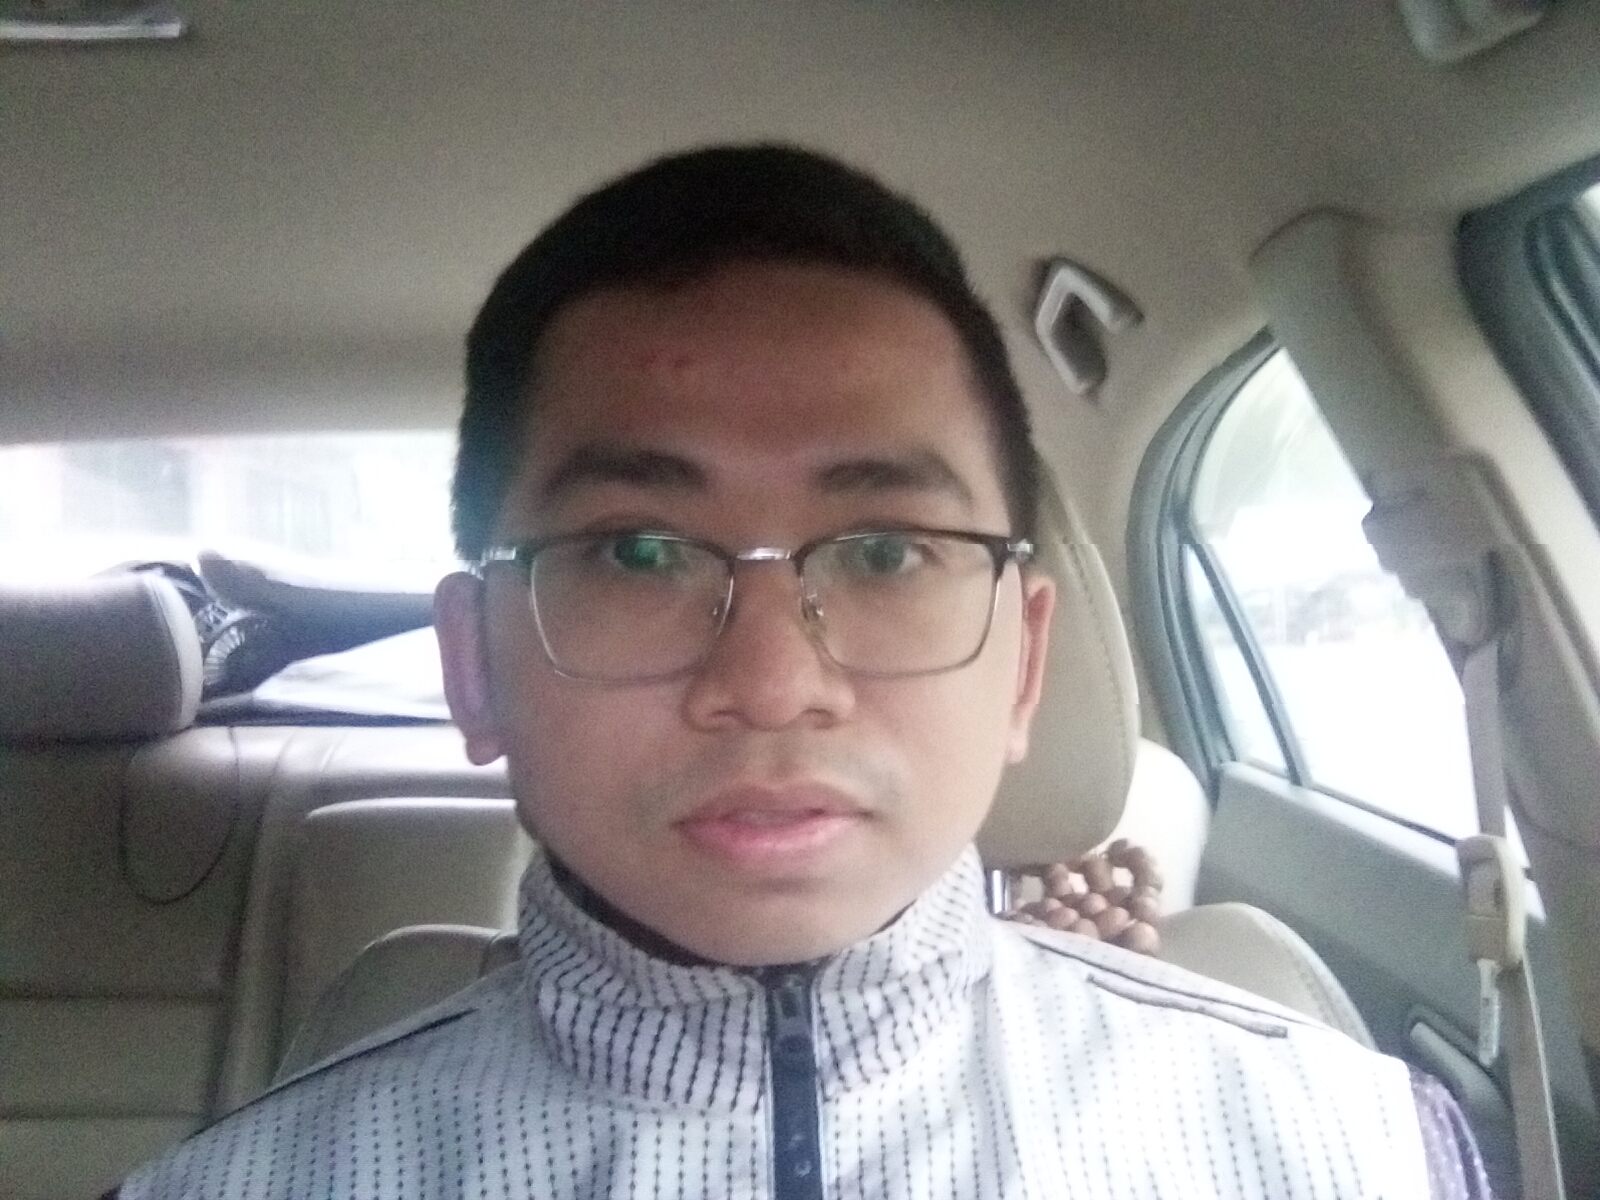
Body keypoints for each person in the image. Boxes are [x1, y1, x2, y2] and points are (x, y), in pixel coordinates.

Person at [112, 144, 1492, 1199]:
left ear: (1021, 664)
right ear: (474, 671)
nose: (771, 685)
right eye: (640, 551)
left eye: (885, 551)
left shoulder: (1349, 1151)